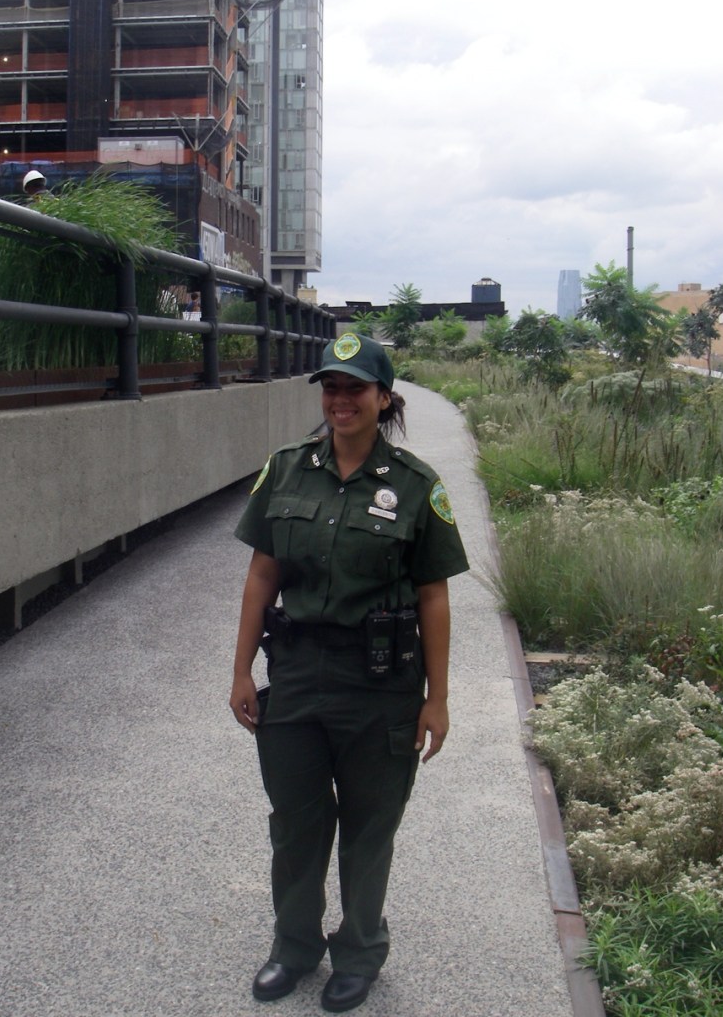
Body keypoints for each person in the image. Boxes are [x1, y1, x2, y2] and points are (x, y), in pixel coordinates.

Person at [230, 333, 469, 1013]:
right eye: (331, 388)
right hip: (298, 673)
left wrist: (437, 697)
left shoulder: (417, 485)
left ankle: (360, 949)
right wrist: (241, 669)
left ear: (382, 397)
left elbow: (434, 595)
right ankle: (294, 946)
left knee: (369, 828)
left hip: (382, 682)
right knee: (297, 822)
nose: (340, 400)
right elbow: (261, 575)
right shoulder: (285, 471)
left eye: (355, 388)